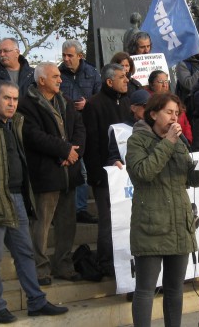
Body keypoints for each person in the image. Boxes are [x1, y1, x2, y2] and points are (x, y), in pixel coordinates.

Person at [0, 81, 68, 323]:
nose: (11, 103)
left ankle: (36, 301)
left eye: (15, 99)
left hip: (17, 197)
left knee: (24, 252)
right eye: (7, 98)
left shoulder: (15, 122)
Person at [126, 92, 199, 327]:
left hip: (179, 223)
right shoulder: (137, 140)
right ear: (153, 114)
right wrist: (168, 142)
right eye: (169, 112)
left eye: (177, 113)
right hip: (151, 224)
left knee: (174, 288)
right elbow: (143, 173)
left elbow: (191, 178)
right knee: (146, 289)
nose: (173, 117)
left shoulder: (179, 142)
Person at [17, 62, 85, 285]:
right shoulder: (27, 104)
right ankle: (40, 269)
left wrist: (74, 151)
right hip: (47, 174)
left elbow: (79, 129)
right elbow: (33, 136)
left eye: (59, 76)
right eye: (55, 76)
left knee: (67, 224)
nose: (60, 79)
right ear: (42, 80)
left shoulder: (64, 101)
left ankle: (63, 265)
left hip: (69, 173)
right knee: (42, 225)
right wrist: (64, 151)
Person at [82, 63, 132, 276]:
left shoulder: (129, 102)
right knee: (108, 223)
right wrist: (98, 176)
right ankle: (105, 263)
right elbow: (91, 144)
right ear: (110, 81)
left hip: (129, 175)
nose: (127, 80)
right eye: (122, 77)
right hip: (105, 176)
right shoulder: (94, 105)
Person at [59, 39, 101, 225]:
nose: (66, 59)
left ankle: (81, 208)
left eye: (70, 55)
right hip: (67, 128)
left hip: (88, 128)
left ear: (80, 56)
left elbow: (100, 96)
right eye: (64, 55)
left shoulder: (92, 73)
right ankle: (72, 208)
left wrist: (88, 103)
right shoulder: (58, 74)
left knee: (84, 170)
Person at [0, 37, 35, 108]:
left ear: (17, 53)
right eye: (0, 52)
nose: (2, 54)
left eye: (6, 51)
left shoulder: (32, 74)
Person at [107, 89, 150, 169]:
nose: (149, 110)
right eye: (145, 106)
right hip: (128, 178)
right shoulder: (118, 130)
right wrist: (114, 162)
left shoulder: (157, 127)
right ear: (133, 108)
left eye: (152, 106)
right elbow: (113, 156)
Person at [147, 70, 192, 145]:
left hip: (181, 141)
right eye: (160, 82)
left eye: (166, 81)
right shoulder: (149, 103)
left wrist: (187, 139)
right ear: (152, 84)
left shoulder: (173, 100)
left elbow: (185, 122)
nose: (164, 85)